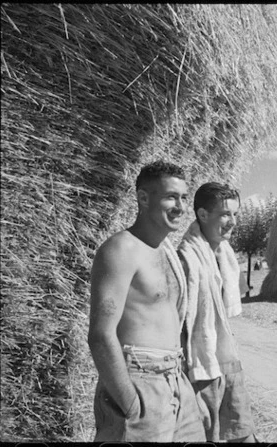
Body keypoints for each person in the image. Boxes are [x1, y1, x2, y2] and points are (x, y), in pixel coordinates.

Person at [88, 160, 205, 442]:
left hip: (176, 381)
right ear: (143, 198)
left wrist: (184, 388)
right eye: (170, 197)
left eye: (183, 198)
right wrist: (130, 403)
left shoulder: (166, 252)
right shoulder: (121, 249)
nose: (180, 206)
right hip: (140, 383)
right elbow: (100, 335)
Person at [177, 182, 257, 443]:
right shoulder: (186, 259)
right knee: (205, 433)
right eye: (225, 214)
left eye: (235, 214)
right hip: (200, 363)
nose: (233, 222)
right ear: (202, 215)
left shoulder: (224, 254)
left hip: (226, 354)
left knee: (242, 430)